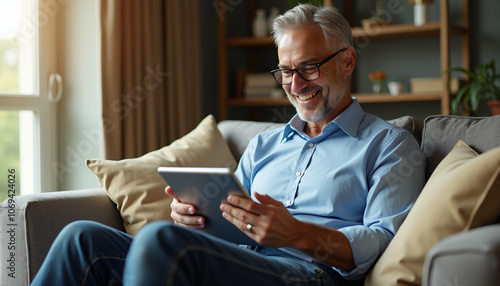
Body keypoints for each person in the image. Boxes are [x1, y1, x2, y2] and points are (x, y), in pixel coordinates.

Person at [31, 4, 425, 286]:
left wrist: (297, 235)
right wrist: (195, 218)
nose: (296, 85)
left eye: (308, 67)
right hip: (239, 262)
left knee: (159, 240)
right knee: (81, 237)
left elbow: (383, 241)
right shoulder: (263, 146)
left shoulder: (390, 145)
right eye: (286, 72)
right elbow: (229, 224)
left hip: (311, 274)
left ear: (348, 61)